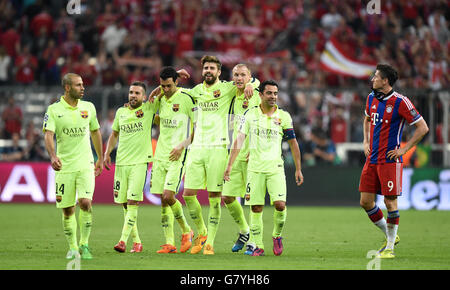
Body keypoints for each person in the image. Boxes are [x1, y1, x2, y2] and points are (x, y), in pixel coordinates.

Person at [182, 55, 257, 255]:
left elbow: (249, 81)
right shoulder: (196, 91)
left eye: (212, 68)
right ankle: (202, 232)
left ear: (219, 72)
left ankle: (210, 244)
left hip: (218, 147)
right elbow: (175, 91)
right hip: (197, 147)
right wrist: (170, 79)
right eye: (205, 67)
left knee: (215, 196)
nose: (208, 70)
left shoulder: (227, 88)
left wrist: (252, 83)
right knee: (188, 194)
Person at [224, 80, 304, 256]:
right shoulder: (250, 114)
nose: (273, 97)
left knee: (280, 205)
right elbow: (239, 140)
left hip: (275, 167)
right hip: (254, 168)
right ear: (260, 95)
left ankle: (277, 235)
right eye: (269, 93)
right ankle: (258, 246)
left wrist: (298, 169)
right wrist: (229, 165)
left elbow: (293, 143)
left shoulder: (284, 116)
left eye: (275, 93)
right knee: (256, 207)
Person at [359, 64, 429, 259]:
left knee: (390, 202)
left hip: (389, 160)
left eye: (376, 76)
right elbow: (366, 119)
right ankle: (391, 236)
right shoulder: (371, 98)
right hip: (372, 159)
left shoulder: (401, 102)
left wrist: (405, 149)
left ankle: (389, 248)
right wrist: (365, 141)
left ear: (385, 81)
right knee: (365, 202)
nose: (372, 79)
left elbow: (423, 128)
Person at [43, 73, 104, 260]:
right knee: (68, 209)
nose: (83, 88)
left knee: (85, 203)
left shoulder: (89, 107)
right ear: (67, 88)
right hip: (64, 166)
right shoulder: (54, 110)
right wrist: (53, 156)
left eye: (83, 84)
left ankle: (84, 244)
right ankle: (73, 247)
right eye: (78, 85)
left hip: (86, 163)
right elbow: (48, 135)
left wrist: (100, 158)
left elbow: (95, 132)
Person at [103, 81, 159, 254]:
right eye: (131, 92)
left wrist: (175, 75)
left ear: (144, 96)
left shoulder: (149, 109)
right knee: (125, 204)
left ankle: (122, 241)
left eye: (137, 93)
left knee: (133, 201)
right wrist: (106, 154)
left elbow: (163, 90)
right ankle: (137, 242)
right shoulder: (121, 112)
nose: (133, 95)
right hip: (121, 163)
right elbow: (114, 135)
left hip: (140, 163)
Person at [150, 67, 196, 254]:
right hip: (160, 154)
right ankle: (169, 243)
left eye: (169, 85)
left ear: (177, 82)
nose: (166, 89)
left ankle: (187, 230)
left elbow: (198, 128)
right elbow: (150, 103)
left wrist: (182, 145)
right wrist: (158, 91)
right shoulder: (160, 99)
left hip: (178, 154)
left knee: (169, 196)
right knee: (163, 199)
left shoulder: (187, 98)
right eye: (163, 86)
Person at [222, 64, 261, 252]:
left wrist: (253, 83)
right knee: (228, 196)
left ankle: (253, 241)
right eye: (236, 75)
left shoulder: (255, 92)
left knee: (253, 200)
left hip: (253, 154)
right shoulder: (230, 92)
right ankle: (244, 230)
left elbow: (260, 83)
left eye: (243, 75)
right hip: (235, 152)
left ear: (249, 76)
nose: (239, 78)